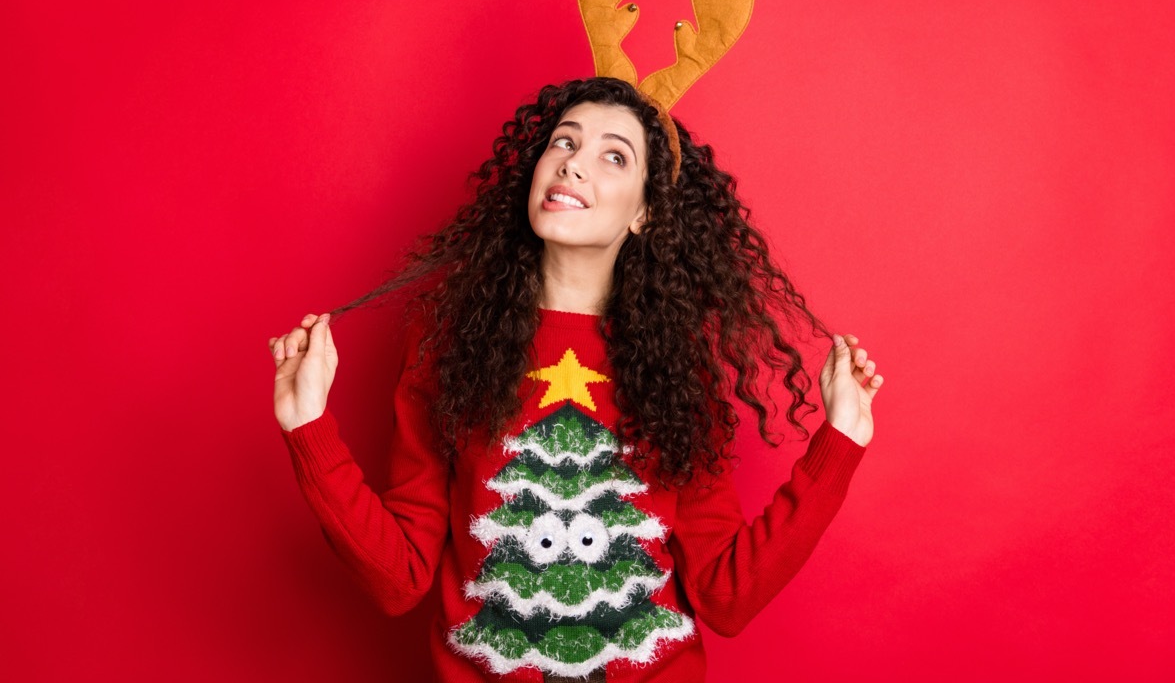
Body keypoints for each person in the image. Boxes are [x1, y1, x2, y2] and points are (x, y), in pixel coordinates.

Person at [269, 76, 884, 682]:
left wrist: (840, 445)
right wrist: (309, 430)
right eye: (563, 143)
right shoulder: (447, 342)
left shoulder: (677, 370)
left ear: (645, 212)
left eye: (613, 155)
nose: (573, 166)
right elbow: (399, 580)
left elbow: (726, 596)